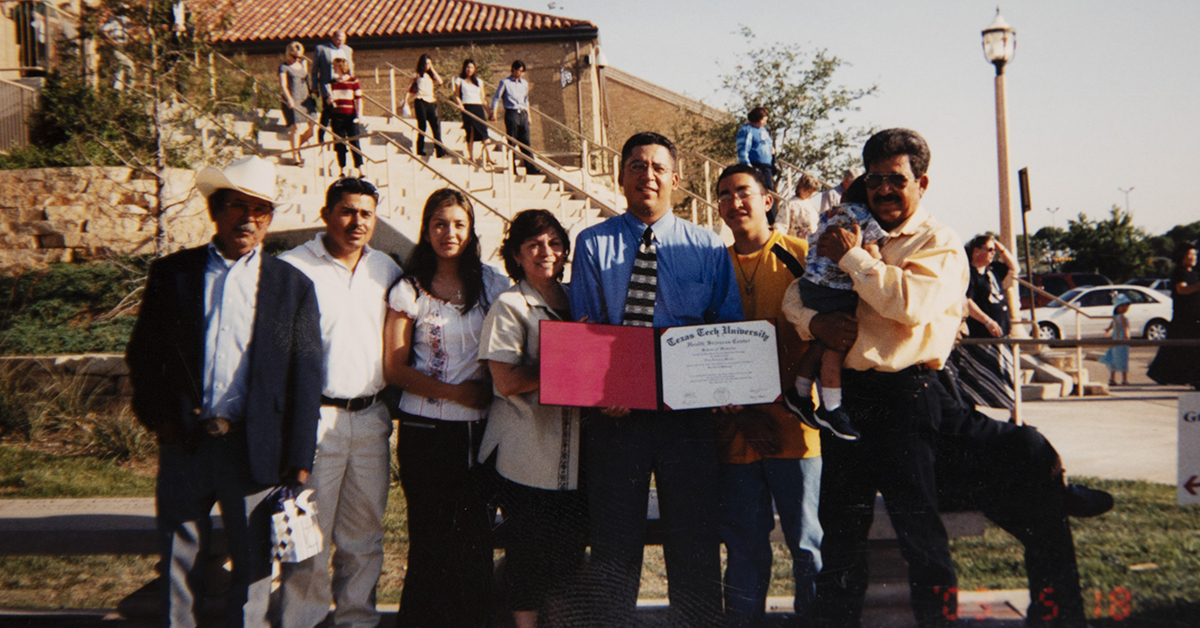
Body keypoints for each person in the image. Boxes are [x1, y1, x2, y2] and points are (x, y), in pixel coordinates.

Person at [781, 128, 969, 627]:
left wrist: (853, 257)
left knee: (920, 534)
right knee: (840, 532)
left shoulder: (940, 242)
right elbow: (799, 294)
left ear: (921, 182)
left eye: (896, 179)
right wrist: (815, 322)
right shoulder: (849, 224)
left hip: (909, 397)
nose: (884, 189)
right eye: (875, 179)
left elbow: (910, 305)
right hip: (848, 399)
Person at [125, 156, 322, 628]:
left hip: (254, 451)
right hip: (186, 446)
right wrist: (162, 422)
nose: (248, 218)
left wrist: (298, 458)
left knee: (252, 571)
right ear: (215, 210)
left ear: (270, 219)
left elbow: (306, 375)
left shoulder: (292, 287)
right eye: (237, 206)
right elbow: (144, 356)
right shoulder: (175, 276)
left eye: (260, 209)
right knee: (177, 563)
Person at [568, 132, 742, 627]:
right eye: (637, 166)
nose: (648, 176)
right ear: (622, 176)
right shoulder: (592, 243)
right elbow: (587, 327)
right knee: (613, 539)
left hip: (686, 416)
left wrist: (724, 386)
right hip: (617, 417)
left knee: (693, 538)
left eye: (658, 167)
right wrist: (607, 394)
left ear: (677, 179)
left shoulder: (707, 246)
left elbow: (724, 326)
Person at [277, 178, 402, 628]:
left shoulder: (384, 269)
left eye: (367, 214)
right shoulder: (292, 267)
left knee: (363, 535)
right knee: (309, 535)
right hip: (315, 420)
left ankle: (357, 620)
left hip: (370, 419)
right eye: (348, 212)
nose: (357, 222)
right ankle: (301, 620)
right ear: (326, 213)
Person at [383, 188, 510, 628]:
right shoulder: (409, 288)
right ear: (426, 228)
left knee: (473, 543)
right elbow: (395, 368)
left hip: (478, 434)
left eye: (458, 223)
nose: (448, 233)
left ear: (471, 229)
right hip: (426, 432)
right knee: (430, 544)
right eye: (439, 223)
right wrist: (455, 393)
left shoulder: (492, 283)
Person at [714, 164, 823, 628]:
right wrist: (742, 414)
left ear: (768, 200)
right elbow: (705, 347)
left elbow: (826, 338)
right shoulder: (713, 266)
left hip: (797, 427)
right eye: (724, 195)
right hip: (734, 428)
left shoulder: (802, 257)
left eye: (743, 193)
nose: (734, 203)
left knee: (806, 542)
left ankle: (816, 619)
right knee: (743, 544)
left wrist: (782, 400)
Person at [933, 366, 1113, 628]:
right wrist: (1030, 441)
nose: (964, 329)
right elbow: (957, 423)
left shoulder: (929, 361)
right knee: (1042, 498)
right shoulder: (914, 368)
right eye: (960, 322)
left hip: (952, 472)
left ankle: (1057, 616)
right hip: (936, 482)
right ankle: (1060, 616)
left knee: (1044, 515)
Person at [478, 209, 586, 628]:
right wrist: (567, 368)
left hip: (573, 452)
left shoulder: (578, 298)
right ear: (517, 255)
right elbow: (505, 381)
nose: (546, 252)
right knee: (528, 555)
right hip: (526, 451)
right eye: (534, 245)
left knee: (566, 557)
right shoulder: (511, 304)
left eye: (555, 243)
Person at [781, 177, 884, 441]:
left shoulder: (828, 213)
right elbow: (872, 251)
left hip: (811, 284)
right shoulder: (863, 217)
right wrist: (877, 261)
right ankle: (831, 407)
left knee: (820, 341)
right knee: (835, 345)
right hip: (834, 288)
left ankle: (799, 392)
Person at [953, 234, 1020, 416]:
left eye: (993, 251)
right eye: (988, 250)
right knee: (976, 379)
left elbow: (1015, 268)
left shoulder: (994, 270)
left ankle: (1015, 416)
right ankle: (972, 414)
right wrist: (987, 320)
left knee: (1008, 378)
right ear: (976, 251)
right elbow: (968, 302)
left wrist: (1001, 249)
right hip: (980, 336)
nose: (992, 254)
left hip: (1000, 336)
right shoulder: (969, 274)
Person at [1147, 242, 1200, 389]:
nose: (1193, 257)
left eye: (1195, 254)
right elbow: (1181, 290)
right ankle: (1163, 374)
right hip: (1184, 316)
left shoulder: (1194, 273)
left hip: (1195, 315)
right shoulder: (1179, 272)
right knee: (1180, 346)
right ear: (1182, 256)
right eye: (1190, 254)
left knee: (1181, 349)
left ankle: (1171, 375)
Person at [490, 60, 538, 174]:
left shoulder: (524, 83)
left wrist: (529, 116)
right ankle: (512, 168)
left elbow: (526, 100)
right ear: (513, 70)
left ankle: (531, 168)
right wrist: (494, 112)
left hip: (523, 113)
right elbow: (496, 98)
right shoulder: (505, 82)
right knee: (512, 141)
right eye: (518, 71)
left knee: (526, 141)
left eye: (522, 72)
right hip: (512, 112)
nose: (520, 74)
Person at [312, 30, 353, 143]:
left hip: (342, 85)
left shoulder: (348, 50)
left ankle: (338, 136)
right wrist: (314, 86)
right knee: (328, 109)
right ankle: (321, 134)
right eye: (339, 39)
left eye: (343, 40)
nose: (341, 42)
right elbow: (315, 70)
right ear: (333, 38)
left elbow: (350, 69)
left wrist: (352, 84)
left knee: (340, 111)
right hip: (328, 84)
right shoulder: (321, 49)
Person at [453, 58, 494, 169]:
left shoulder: (479, 82)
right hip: (467, 106)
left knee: (484, 132)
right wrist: (460, 104)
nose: (469, 69)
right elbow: (456, 95)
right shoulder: (459, 80)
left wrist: (489, 112)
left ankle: (488, 156)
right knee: (470, 132)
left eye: (471, 67)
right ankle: (471, 156)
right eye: (467, 67)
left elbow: (483, 97)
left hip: (478, 107)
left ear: (474, 68)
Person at [279, 41, 315, 166]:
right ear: (289, 54)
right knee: (296, 127)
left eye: (299, 56)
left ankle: (296, 146)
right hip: (293, 97)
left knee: (313, 126)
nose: (297, 58)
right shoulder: (284, 67)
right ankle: (296, 156)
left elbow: (305, 81)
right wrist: (289, 98)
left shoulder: (302, 65)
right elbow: (283, 85)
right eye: (294, 56)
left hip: (305, 99)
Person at [409, 54, 446, 158]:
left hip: (430, 101)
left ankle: (440, 150)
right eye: (425, 63)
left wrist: (432, 69)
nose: (427, 65)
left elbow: (440, 81)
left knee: (435, 125)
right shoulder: (417, 74)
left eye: (429, 63)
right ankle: (420, 149)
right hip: (420, 100)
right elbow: (409, 88)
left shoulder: (430, 75)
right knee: (422, 125)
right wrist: (405, 101)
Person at [736, 106, 775, 197]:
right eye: (763, 120)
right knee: (758, 189)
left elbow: (768, 143)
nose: (765, 122)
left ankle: (770, 211)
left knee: (769, 191)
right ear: (757, 119)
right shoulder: (746, 130)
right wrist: (748, 165)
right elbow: (743, 149)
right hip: (754, 165)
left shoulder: (763, 130)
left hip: (766, 166)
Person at [776, 171, 821, 240]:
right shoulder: (790, 204)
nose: (811, 194)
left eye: (813, 191)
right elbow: (781, 225)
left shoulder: (812, 205)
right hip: (793, 242)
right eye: (809, 191)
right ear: (801, 188)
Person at [1099, 293, 1132, 386]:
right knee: (1123, 359)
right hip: (1122, 341)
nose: (1126, 308)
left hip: (1115, 339)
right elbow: (1125, 326)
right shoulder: (1122, 317)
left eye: (1127, 306)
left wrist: (1108, 329)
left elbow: (1112, 324)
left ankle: (1112, 379)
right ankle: (1124, 380)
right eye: (1123, 306)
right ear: (1118, 307)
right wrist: (1126, 335)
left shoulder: (1115, 317)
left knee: (1113, 359)